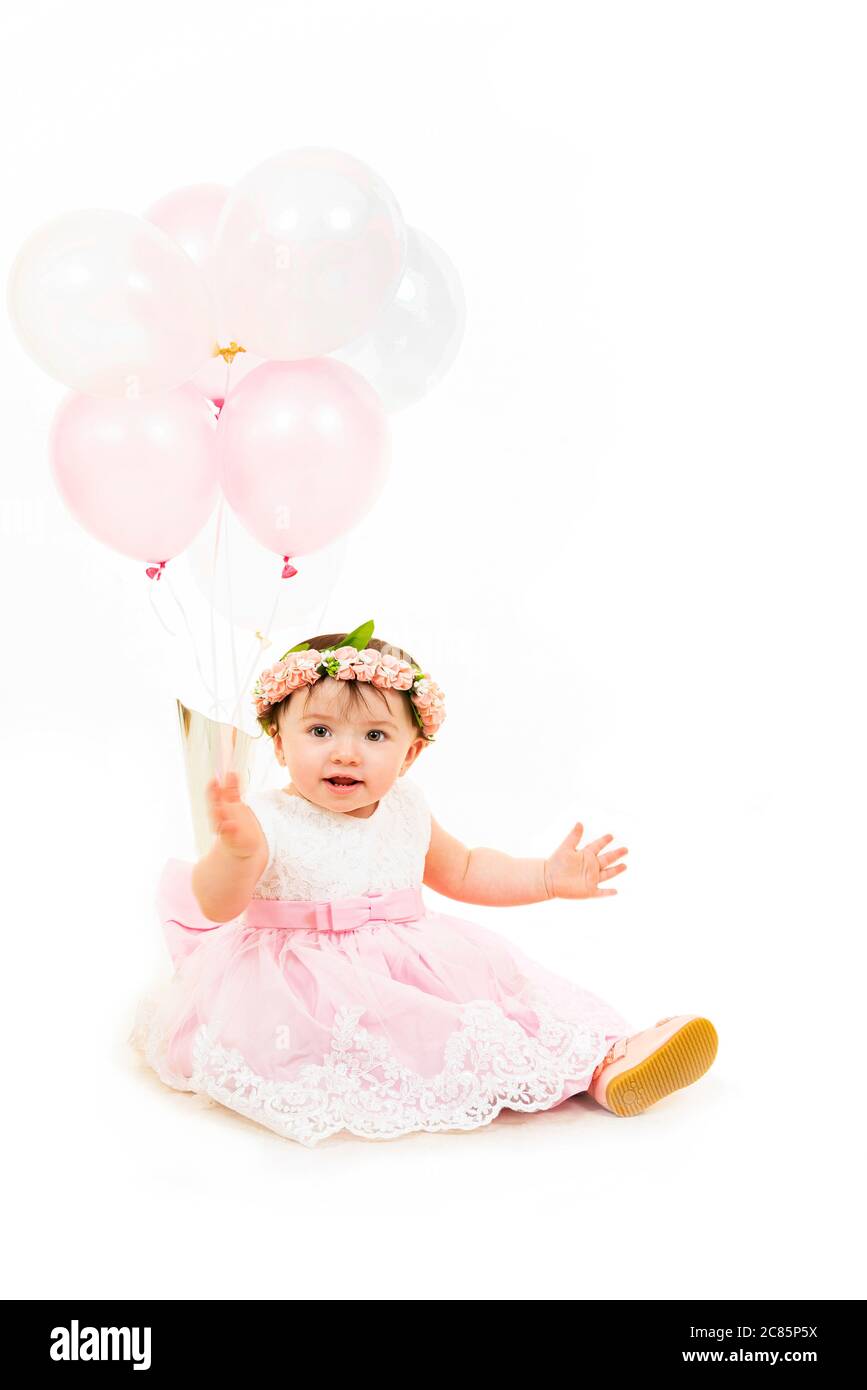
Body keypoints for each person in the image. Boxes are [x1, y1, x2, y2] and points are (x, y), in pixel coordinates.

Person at [129, 620, 718, 1146]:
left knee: (500, 1008)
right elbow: (217, 901)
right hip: (300, 984)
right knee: (358, 1047)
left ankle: (602, 1066)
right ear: (280, 743)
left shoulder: (406, 808)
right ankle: (556, 1076)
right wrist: (234, 852)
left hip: (409, 963)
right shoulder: (264, 820)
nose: (346, 754)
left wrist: (544, 876)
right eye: (319, 731)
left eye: (375, 737)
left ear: (409, 756)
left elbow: (463, 869)